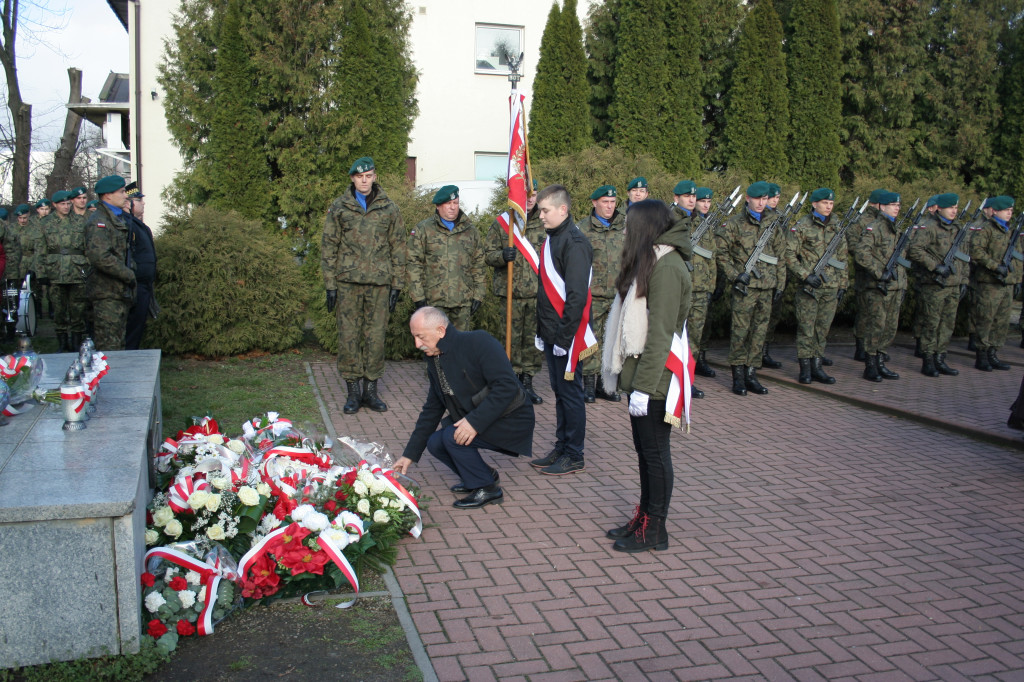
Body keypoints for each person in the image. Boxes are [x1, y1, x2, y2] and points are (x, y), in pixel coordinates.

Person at [601, 199, 691, 553]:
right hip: (647, 376)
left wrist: (644, 388)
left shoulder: (667, 267)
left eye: (629, 225)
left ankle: (655, 529)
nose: (624, 231)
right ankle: (645, 517)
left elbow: (661, 334)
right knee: (645, 451)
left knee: (654, 453)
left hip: (657, 378)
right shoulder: (654, 260)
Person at [393, 307, 535, 509]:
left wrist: (474, 423)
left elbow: (506, 387)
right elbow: (432, 408)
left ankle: (488, 489)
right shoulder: (435, 357)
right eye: (414, 337)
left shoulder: (478, 342)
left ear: (441, 331)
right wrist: (409, 454)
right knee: (435, 442)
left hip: (511, 417)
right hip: (480, 414)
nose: (417, 344)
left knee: (452, 437)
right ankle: (484, 475)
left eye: (421, 337)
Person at [321, 157, 406, 414]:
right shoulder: (339, 208)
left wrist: (397, 285)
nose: (364, 180)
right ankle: (352, 393)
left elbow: (399, 247)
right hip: (347, 283)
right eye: (360, 177)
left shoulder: (389, 209)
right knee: (348, 338)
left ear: (375, 176)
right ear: (352, 179)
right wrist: (330, 285)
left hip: (380, 283)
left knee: (376, 338)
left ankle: (370, 391)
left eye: (369, 176)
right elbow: (329, 247)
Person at [531, 184, 595, 476]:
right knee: (559, 391)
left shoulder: (575, 243)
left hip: (567, 335)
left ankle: (574, 453)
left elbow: (576, 297)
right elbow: (545, 292)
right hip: (553, 333)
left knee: (570, 393)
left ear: (563, 210)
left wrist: (564, 337)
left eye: (545, 210)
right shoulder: (552, 239)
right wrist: (541, 330)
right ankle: (561, 446)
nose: (541, 216)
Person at [716, 181, 787, 396]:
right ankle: (738, 376)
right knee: (740, 332)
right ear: (748, 199)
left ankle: (751, 374)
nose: (761, 203)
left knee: (759, 332)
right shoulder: (734, 224)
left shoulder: (774, 224)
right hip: (745, 287)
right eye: (757, 199)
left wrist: (780, 285)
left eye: (764, 199)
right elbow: (721, 253)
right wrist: (735, 276)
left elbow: (781, 256)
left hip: (767, 286)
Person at [484, 184, 545, 404]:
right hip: (511, 293)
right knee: (509, 341)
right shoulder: (503, 223)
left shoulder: (545, 222)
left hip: (538, 294)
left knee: (532, 342)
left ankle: (527, 382)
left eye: (533, 195)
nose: (529, 199)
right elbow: (487, 255)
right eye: (525, 194)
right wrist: (502, 255)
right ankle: (509, 383)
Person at [787, 188, 848, 384]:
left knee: (822, 329)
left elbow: (843, 258)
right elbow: (789, 255)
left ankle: (817, 366)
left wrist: (843, 284)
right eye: (824, 203)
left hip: (831, 287)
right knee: (807, 328)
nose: (828, 206)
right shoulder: (802, 226)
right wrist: (805, 276)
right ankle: (805, 369)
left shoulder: (837, 227)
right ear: (814, 204)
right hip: (810, 288)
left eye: (831, 203)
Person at [407, 185, 486, 330]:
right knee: (434, 346)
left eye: (455, 203)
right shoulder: (423, 229)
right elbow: (414, 264)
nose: (452, 207)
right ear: (438, 206)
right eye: (448, 203)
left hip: (462, 302)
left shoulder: (470, 231)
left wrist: (478, 295)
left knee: (460, 347)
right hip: (434, 301)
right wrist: (418, 297)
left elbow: (478, 264)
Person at [907, 192, 967, 376]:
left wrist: (964, 279)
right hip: (934, 284)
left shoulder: (958, 228)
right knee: (931, 324)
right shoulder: (929, 227)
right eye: (950, 208)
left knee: (947, 324)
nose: (953, 211)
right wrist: (935, 267)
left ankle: (940, 358)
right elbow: (915, 250)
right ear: (939, 208)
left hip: (953, 284)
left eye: (956, 208)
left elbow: (964, 257)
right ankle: (928, 360)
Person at [849, 190, 905, 381]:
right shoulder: (875, 228)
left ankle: (881, 362)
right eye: (892, 205)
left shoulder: (895, 228)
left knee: (890, 327)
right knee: (876, 326)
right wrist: (879, 273)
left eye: (898, 205)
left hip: (895, 286)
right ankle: (871, 365)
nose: (896, 208)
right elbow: (861, 254)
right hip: (878, 287)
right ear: (882, 207)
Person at [577, 184, 625, 403]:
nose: (609, 206)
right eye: (605, 202)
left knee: (612, 340)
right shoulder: (583, 229)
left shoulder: (625, 226)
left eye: (612, 202)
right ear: (594, 203)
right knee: (591, 341)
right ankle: (588, 384)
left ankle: (605, 385)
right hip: (592, 294)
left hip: (618, 293)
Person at [85, 175, 136, 350]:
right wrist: (128, 274)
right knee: (109, 346)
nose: (125, 196)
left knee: (118, 343)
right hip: (106, 292)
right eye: (121, 192)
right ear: (107, 195)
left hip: (117, 291)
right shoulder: (99, 221)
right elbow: (100, 257)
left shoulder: (115, 217)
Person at [968, 195, 1015, 371]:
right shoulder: (985, 229)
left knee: (1001, 321)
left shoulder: (1009, 230)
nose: (1009, 213)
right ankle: (981, 355)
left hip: (1005, 282)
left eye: (1011, 210)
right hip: (989, 282)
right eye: (1006, 210)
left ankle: (993, 353)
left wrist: (1015, 277)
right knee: (985, 319)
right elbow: (976, 251)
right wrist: (995, 267)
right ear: (995, 211)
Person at [44, 190, 89, 351]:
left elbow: (88, 246)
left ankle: (77, 341)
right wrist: (42, 273)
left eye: (68, 203)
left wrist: (87, 267)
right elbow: (41, 249)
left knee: (78, 308)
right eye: (62, 204)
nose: (66, 206)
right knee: (58, 309)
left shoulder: (80, 221)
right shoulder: (46, 223)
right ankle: (62, 342)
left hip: (76, 270)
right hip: (55, 271)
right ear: (55, 205)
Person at [668, 181, 700, 396]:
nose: (691, 200)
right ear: (676, 197)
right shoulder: (669, 220)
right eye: (686, 196)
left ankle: (688, 375)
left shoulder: (698, 220)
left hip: (697, 284)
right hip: (674, 283)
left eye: (693, 197)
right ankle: (672, 374)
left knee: (693, 334)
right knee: (672, 332)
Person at [124, 182, 157, 350]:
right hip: (134, 284)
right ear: (128, 203)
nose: (142, 203)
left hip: (143, 284)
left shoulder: (139, 225)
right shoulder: (126, 224)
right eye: (138, 200)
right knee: (131, 329)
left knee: (137, 328)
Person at [690, 187, 718, 384]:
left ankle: (690, 375)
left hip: (701, 288)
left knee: (696, 334)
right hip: (682, 288)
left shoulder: (706, 225)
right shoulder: (675, 223)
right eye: (701, 201)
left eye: (709, 202)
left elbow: (712, 259)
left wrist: (710, 287)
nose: (705, 205)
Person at [761, 182, 788, 369]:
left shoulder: (780, 219)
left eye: (777, 198)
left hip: (774, 275)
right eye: (771, 198)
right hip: (759, 278)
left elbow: (782, 251)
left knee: (772, 317)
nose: (774, 201)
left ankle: (764, 351)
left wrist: (781, 281)